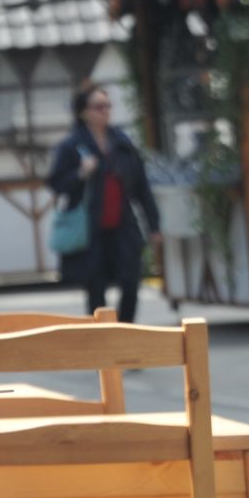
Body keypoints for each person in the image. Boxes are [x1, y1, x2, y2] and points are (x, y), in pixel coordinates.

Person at [46, 82, 161, 322]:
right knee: (95, 289)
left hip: (123, 225)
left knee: (131, 282)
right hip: (91, 231)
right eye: (99, 106)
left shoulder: (122, 142)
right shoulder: (72, 145)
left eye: (107, 106)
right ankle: (102, 340)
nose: (105, 111)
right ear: (84, 112)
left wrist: (154, 225)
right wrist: (80, 173)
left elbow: (141, 186)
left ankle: (126, 332)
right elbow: (55, 183)